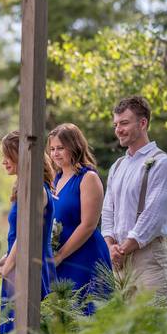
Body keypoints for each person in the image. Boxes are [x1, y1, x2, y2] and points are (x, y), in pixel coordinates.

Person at [102, 96, 167, 298]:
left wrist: (123, 248)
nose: (118, 129)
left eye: (124, 123)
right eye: (116, 124)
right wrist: (110, 247)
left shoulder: (163, 164)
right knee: (125, 328)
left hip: (149, 259)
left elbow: (153, 216)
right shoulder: (117, 166)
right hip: (118, 261)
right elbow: (108, 211)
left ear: (143, 123)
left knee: (154, 325)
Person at [0, 131, 56, 334]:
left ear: (22, 156)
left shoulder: (36, 190)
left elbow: (26, 236)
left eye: (8, 155)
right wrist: (1, 262)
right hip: (18, 264)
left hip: (31, 266)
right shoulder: (23, 186)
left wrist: (5, 270)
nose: (4, 162)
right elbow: (17, 237)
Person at [48, 123, 112, 311]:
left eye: (61, 148)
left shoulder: (88, 177)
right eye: (52, 149)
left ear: (74, 146)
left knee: (87, 314)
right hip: (59, 258)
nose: (55, 154)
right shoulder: (55, 179)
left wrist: (60, 256)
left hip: (84, 255)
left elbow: (88, 225)